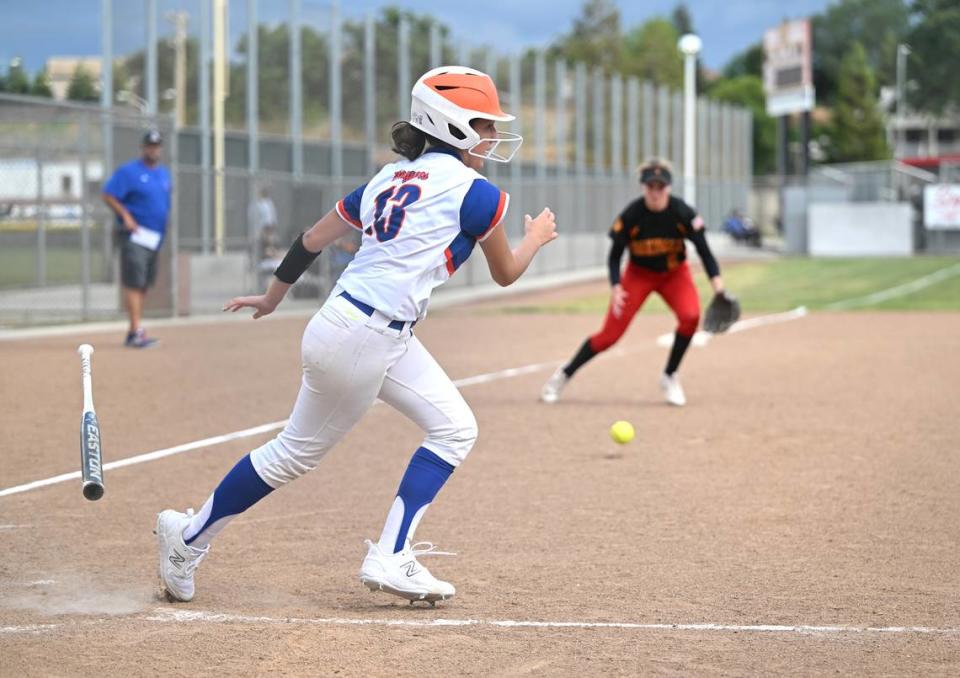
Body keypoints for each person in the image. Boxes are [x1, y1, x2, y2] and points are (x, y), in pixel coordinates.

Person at [154, 66, 557, 606]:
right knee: (291, 456)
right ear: (453, 125)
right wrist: (536, 238)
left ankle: (393, 553)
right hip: (367, 336)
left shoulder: (386, 179)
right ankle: (188, 539)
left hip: (353, 324)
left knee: (455, 427)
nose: (491, 136)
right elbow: (507, 272)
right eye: (484, 125)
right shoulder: (475, 192)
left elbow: (312, 238)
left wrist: (273, 295)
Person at [540, 158, 725, 408]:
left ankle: (669, 376)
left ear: (669, 188)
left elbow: (704, 252)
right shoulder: (632, 216)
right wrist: (616, 286)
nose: (656, 192)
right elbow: (615, 255)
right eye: (651, 186)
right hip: (638, 275)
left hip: (674, 274)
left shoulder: (682, 213)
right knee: (608, 337)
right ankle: (563, 375)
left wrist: (719, 289)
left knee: (691, 316)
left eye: (661, 186)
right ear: (643, 187)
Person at [101, 129, 172, 348]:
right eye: (150, 146)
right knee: (134, 283)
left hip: (154, 238)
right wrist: (125, 216)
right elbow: (108, 194)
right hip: (135, 236)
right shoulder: (129, 172)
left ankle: (134, 331)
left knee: (143, 285)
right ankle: (136, 330)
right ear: (143, 148)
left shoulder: (163, 174)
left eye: (157, 146)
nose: (154, 149)